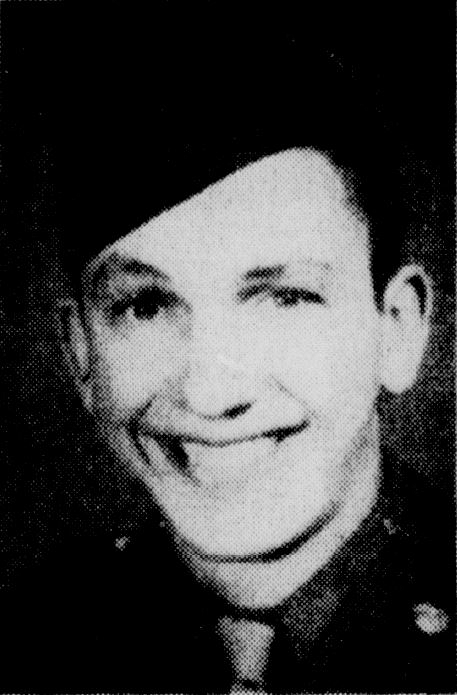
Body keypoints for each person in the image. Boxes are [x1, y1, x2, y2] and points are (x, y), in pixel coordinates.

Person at [0, 10, 454, 694]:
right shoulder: (24, 643)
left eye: (285, 298)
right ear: (82, 354)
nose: (210, 394)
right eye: (146, 306)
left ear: (396, 330)